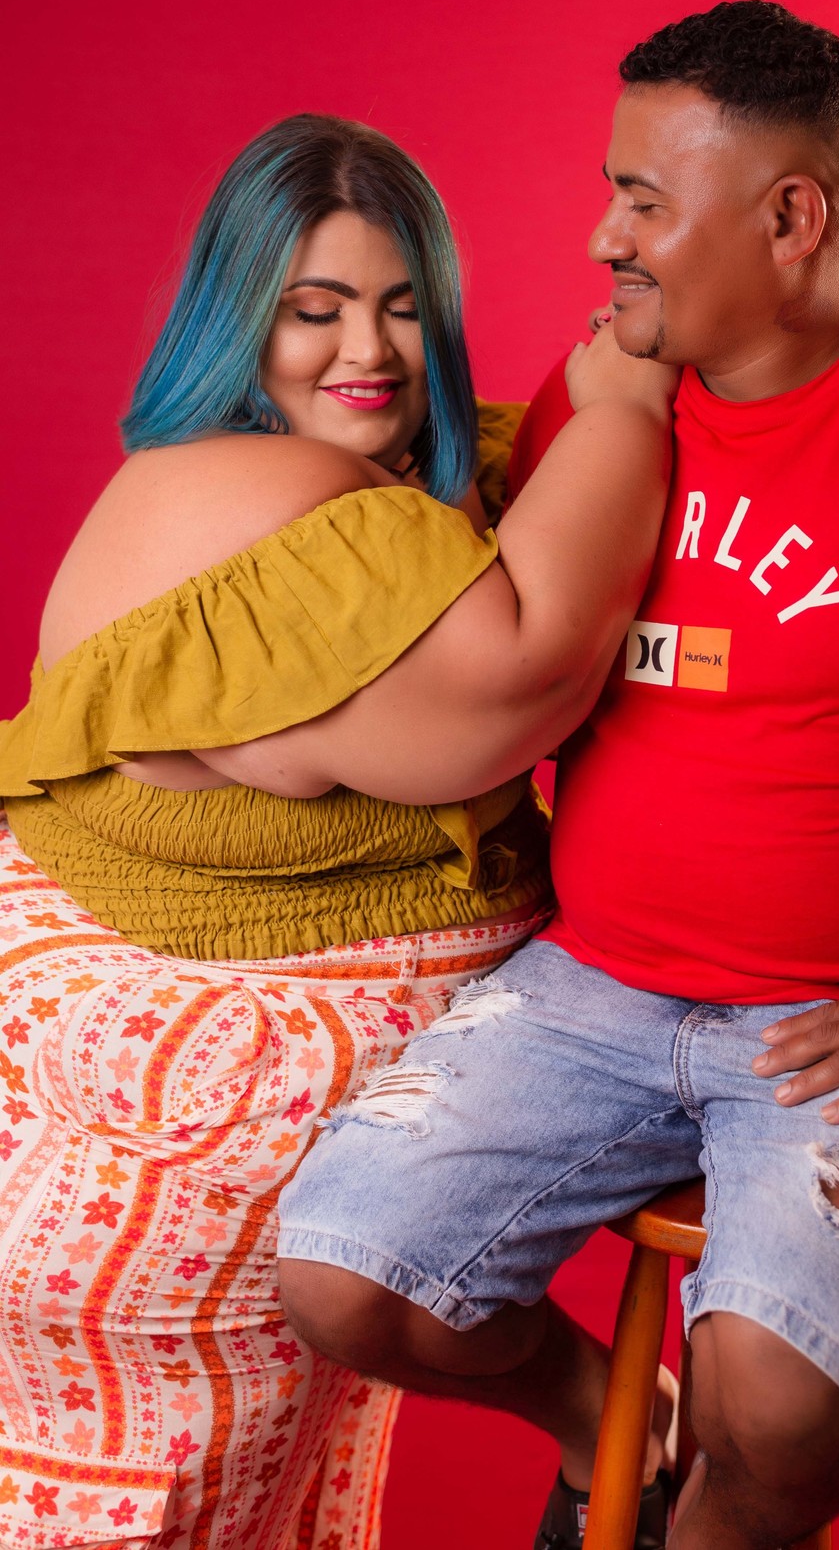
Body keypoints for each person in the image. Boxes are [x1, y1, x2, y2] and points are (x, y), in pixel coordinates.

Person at [276, 3, 839, 1550]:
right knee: (343, 1275)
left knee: (776, 1410)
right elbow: (492, 663)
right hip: (597, 986)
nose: (602, 236)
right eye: (612, 191)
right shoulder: (604, 401)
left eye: (644, 199)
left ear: (791, 218)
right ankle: (613, 1437)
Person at [0, 113, 675, 1548]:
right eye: (314, 309)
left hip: (109, 1137)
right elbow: (525, 673)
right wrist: (629, 403)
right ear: (240, 320)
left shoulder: (298, 480)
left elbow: (483, 506)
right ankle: (617, 1424)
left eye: (403, 304)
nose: (365, 348)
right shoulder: (288, 506)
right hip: (162, 1174)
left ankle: (611, 1428)